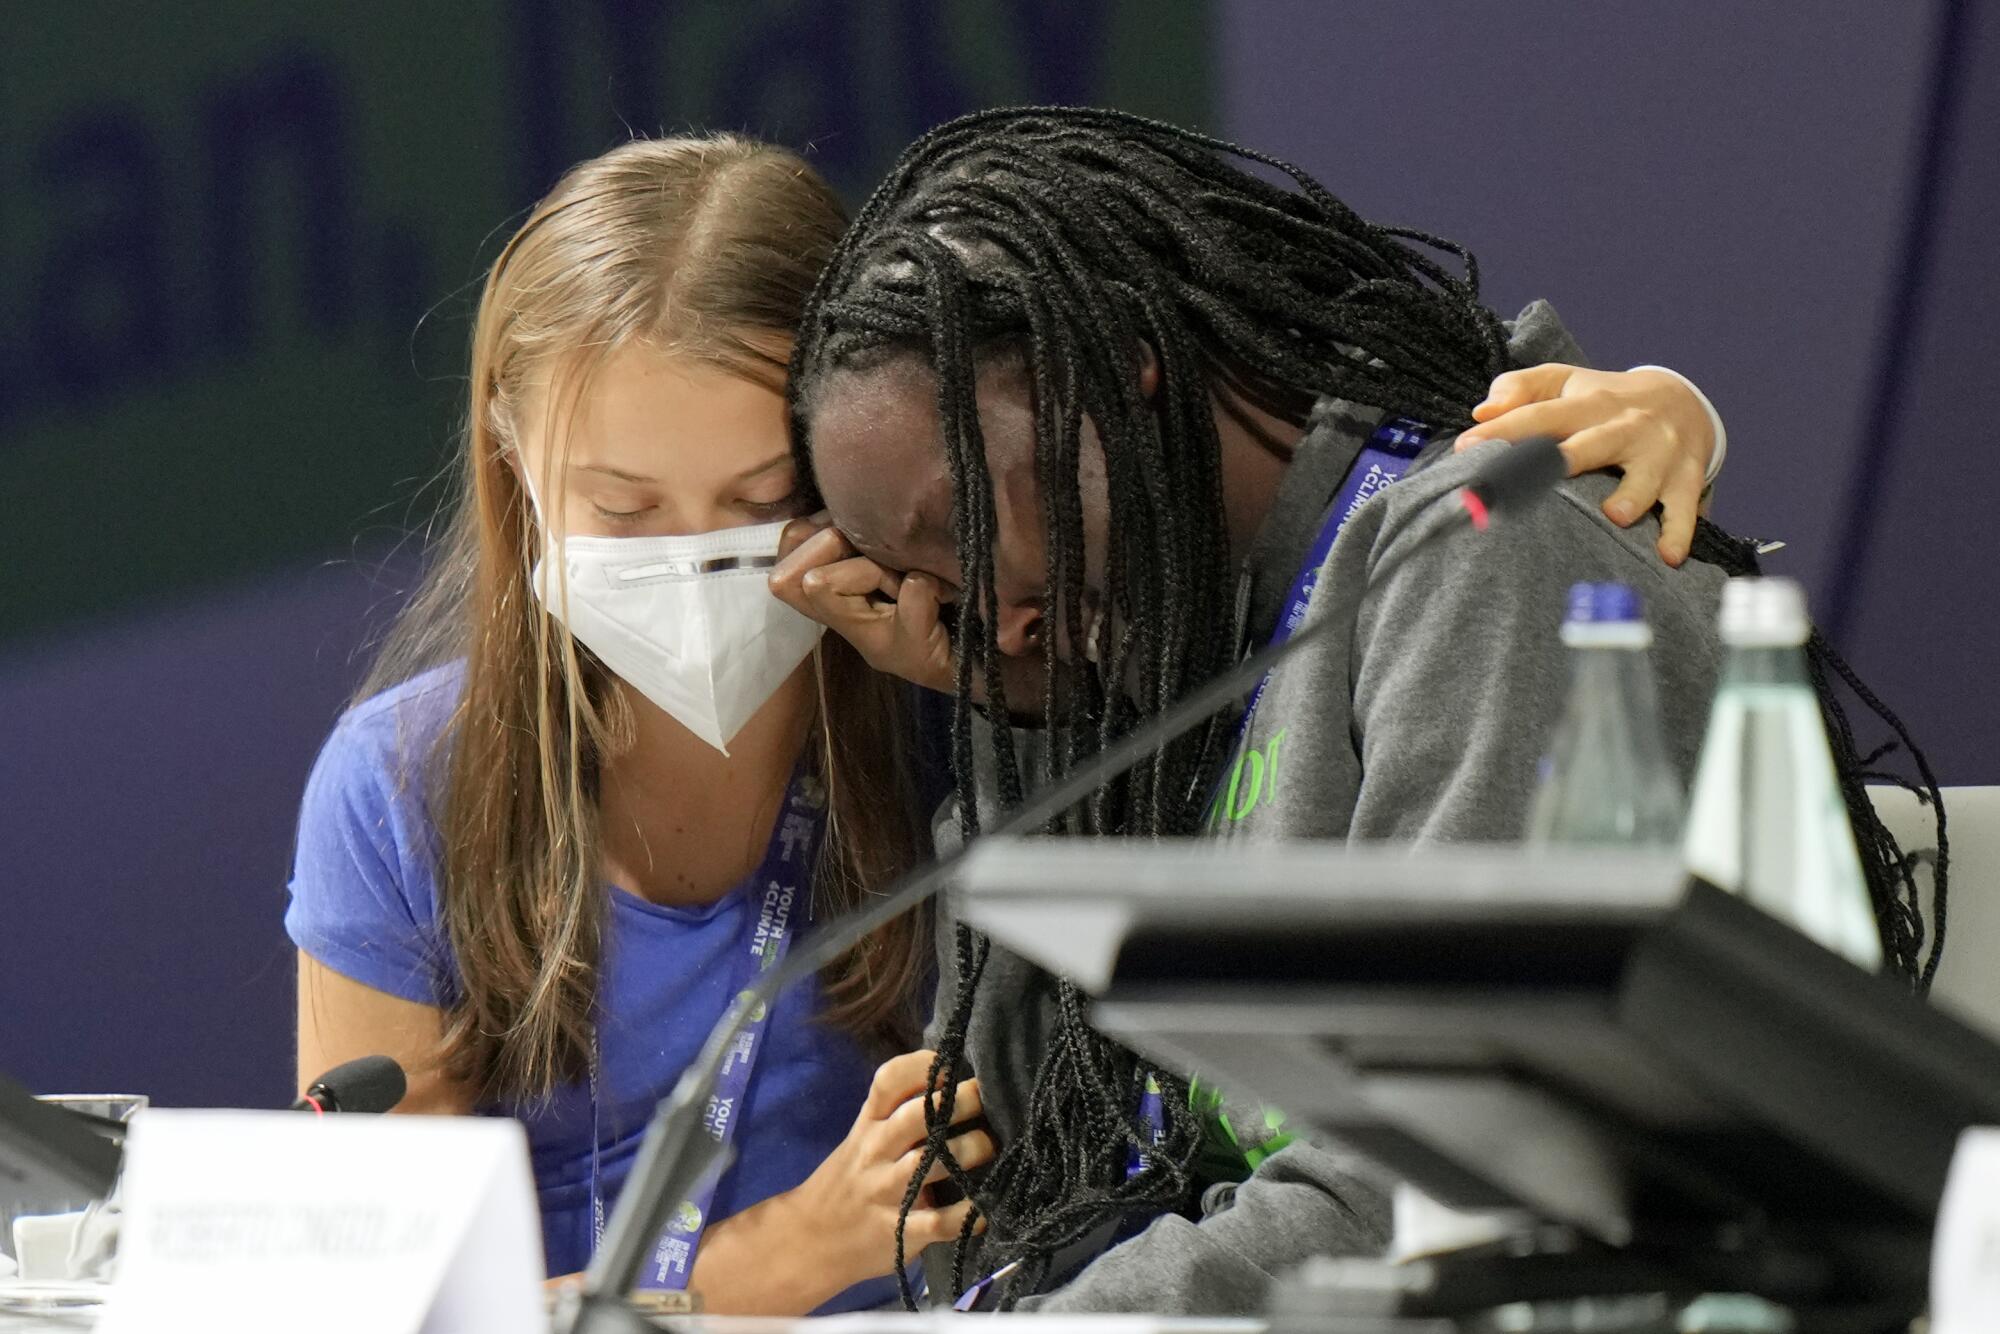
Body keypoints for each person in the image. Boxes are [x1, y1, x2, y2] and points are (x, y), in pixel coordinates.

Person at [772, 108, 1940, 1312]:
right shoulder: (1154, 648)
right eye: (928, 588)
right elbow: (1034, 1176)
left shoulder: (1483, 554)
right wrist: (1025, 712)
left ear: (1110, 377)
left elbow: (1440, 1191)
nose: (991, 618)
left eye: (962, 536)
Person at [285, 136, 995, 1315]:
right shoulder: (397, 787)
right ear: (513, 452)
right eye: (623, 508)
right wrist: (787, 1256)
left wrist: (999, 712)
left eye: (761, 501)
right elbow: (393, 1307)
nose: (689, 556)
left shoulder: (964, 724)